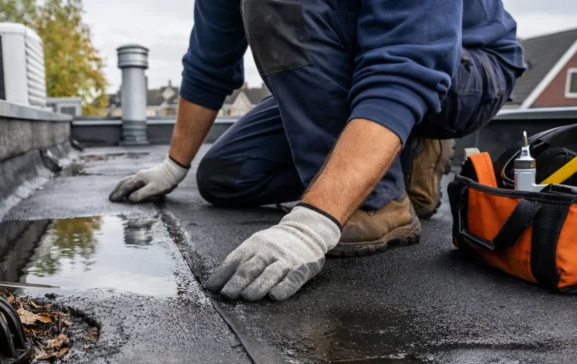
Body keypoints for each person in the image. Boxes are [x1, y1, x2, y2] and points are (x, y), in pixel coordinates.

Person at [109, 0, 525, 302]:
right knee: (225, 175)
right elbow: (208, 64)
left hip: (458, 64)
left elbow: (407, 63)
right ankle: (398, 151)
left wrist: (312, 224)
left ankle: (381, 201)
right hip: (356, 67)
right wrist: (173, 166)